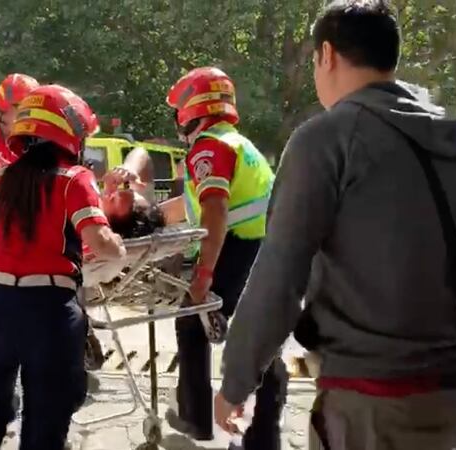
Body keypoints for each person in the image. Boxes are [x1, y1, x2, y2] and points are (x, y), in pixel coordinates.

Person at [214, 2, 456, 450]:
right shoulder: (454, 145)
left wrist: (235, 381)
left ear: (327, 55)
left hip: (373, 404)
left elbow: (279, 276)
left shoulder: (327, 139)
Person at [0, 85, 126, 449]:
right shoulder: (74, 179)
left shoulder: (1, 180)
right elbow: (99, 241)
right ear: (71, 135)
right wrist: (119, 248)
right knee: (46, 419)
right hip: (48, 309)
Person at [163, 66, 287, 448]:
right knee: (263, 342)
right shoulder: (236, 143)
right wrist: (149, 215)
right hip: (265, 249)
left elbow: (214, 210)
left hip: (239, 248)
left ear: (189, 111)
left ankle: (196, 417)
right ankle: (260, 435)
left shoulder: (208, 148)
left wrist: (203, 274)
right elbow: (196, 206)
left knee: (191, 323)